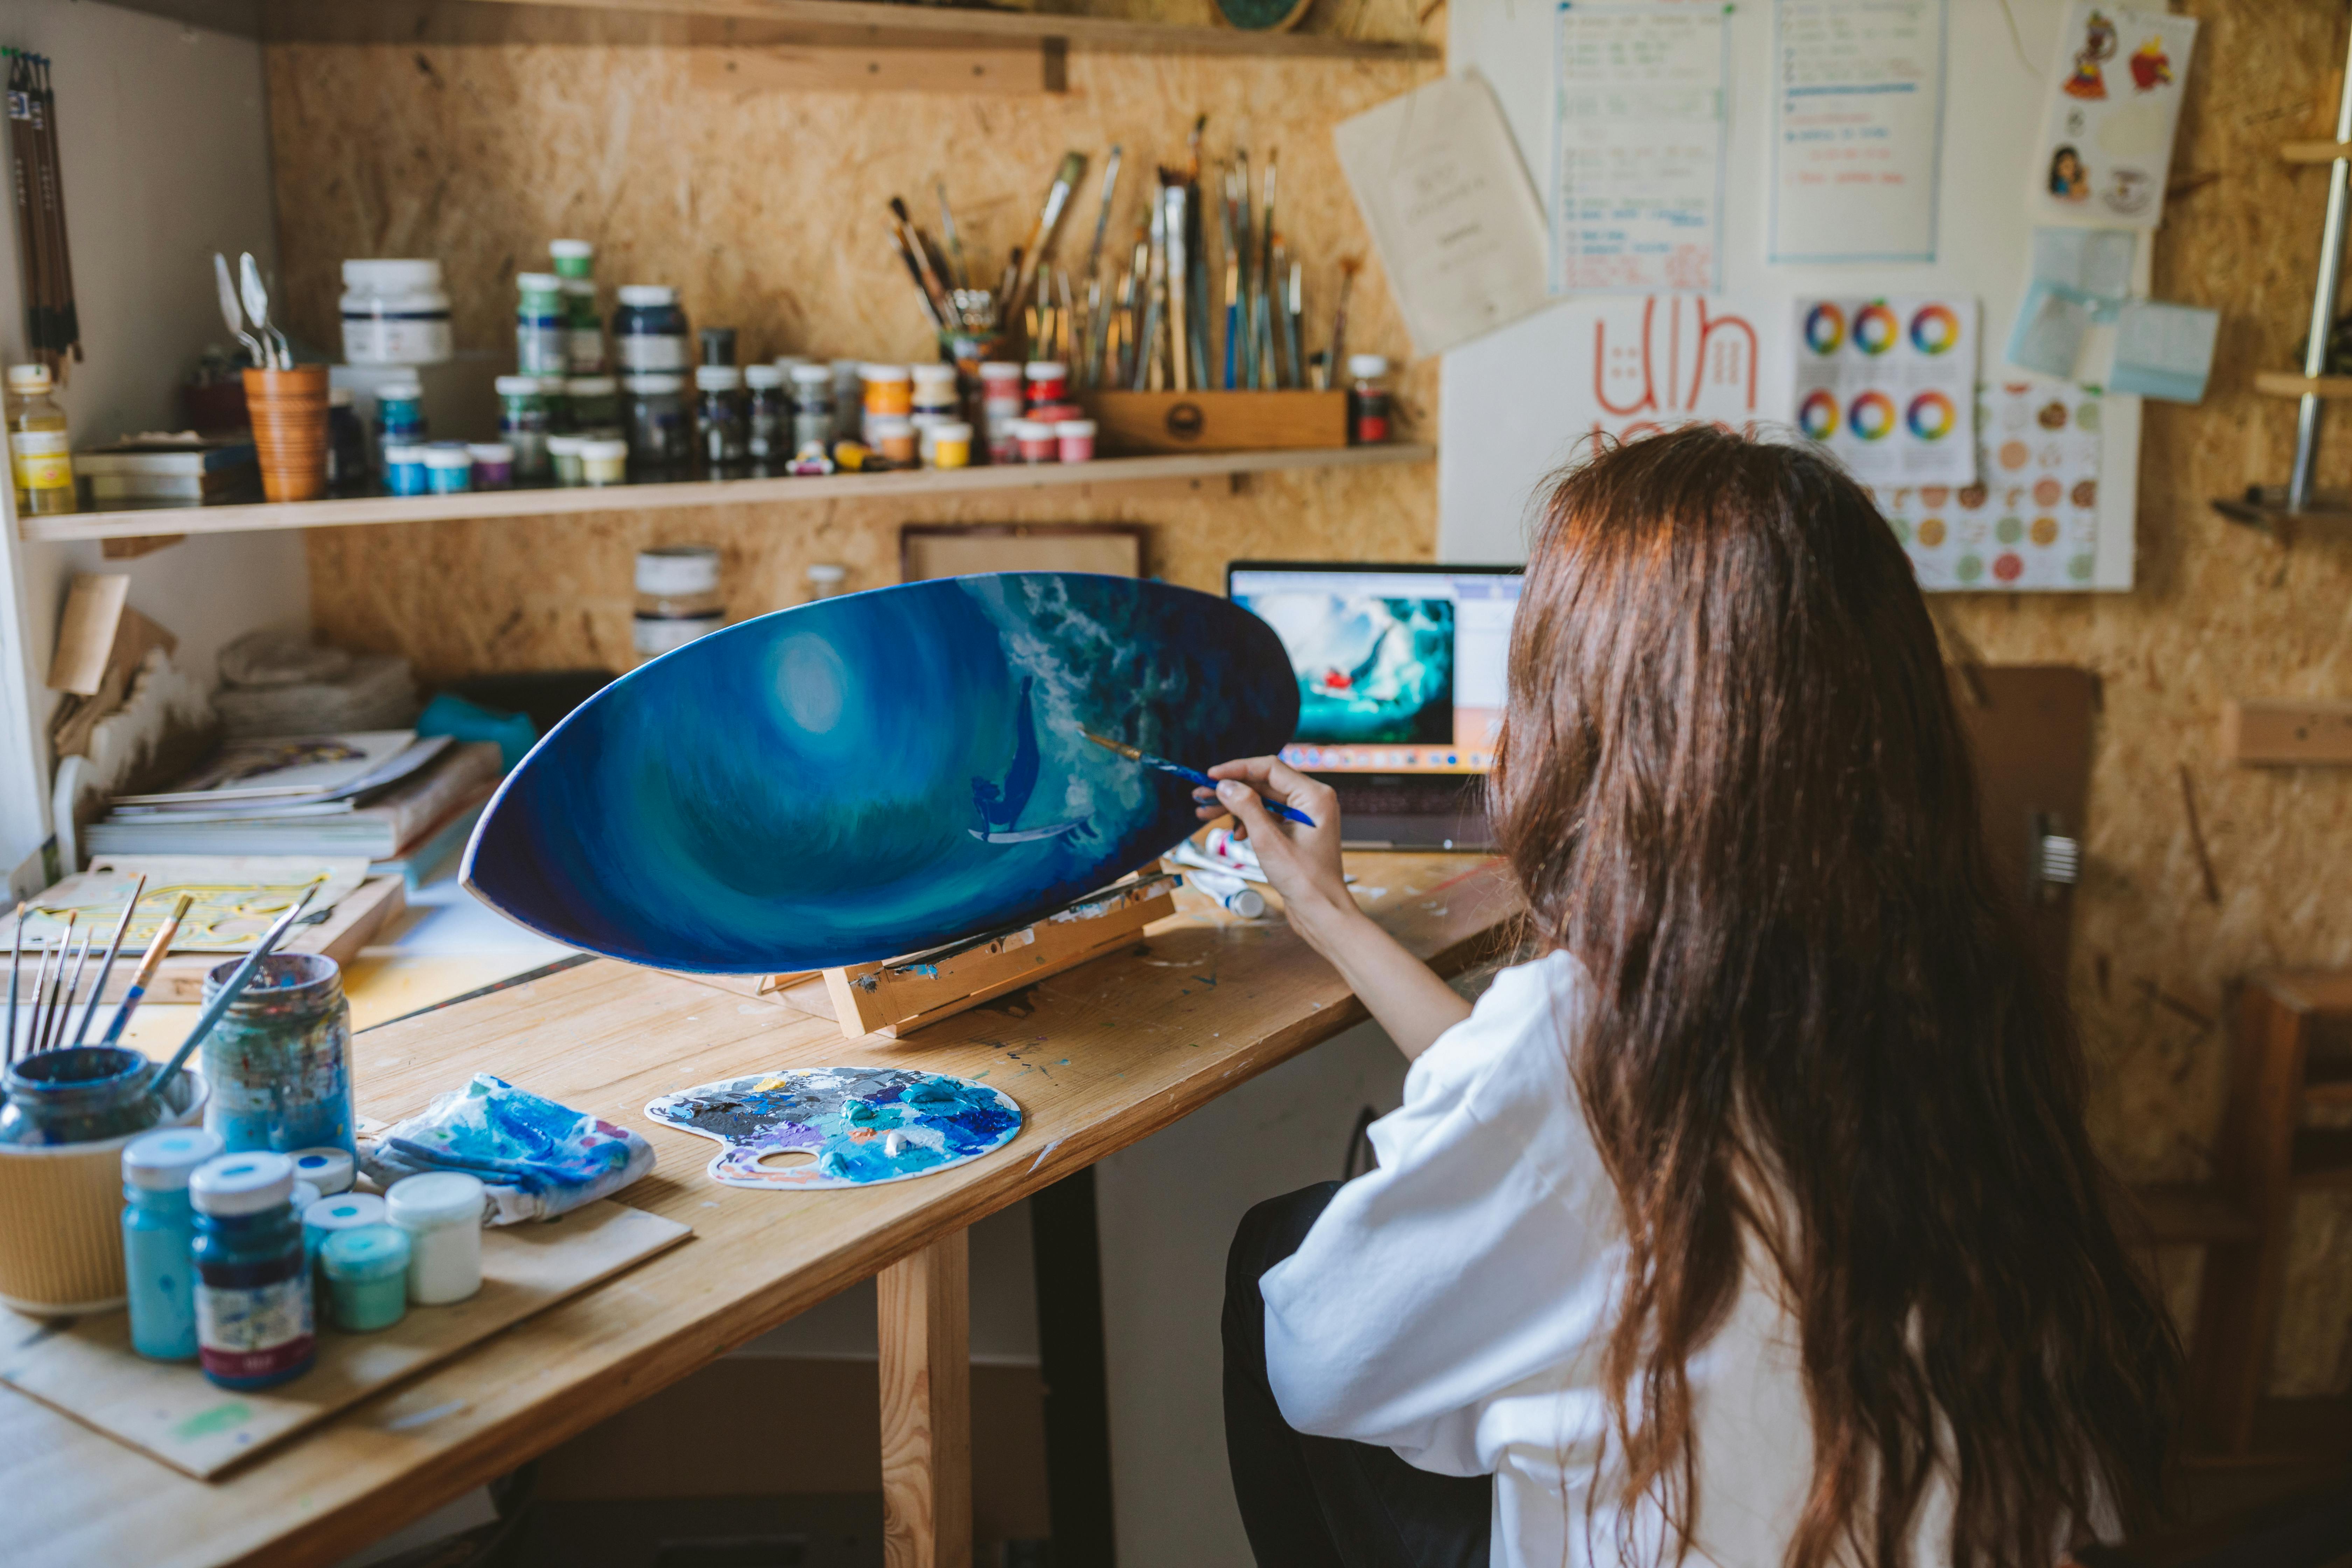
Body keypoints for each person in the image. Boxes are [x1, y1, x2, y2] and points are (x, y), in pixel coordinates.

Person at [1204, 427, 2178, 1568]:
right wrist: (1330, 916)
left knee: (1276, 1256)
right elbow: (1568, 1127)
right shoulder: (1949, 996)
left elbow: (1319, 1361)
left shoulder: (1578, 1047)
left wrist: (1486, 1408)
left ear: (1606, 732)